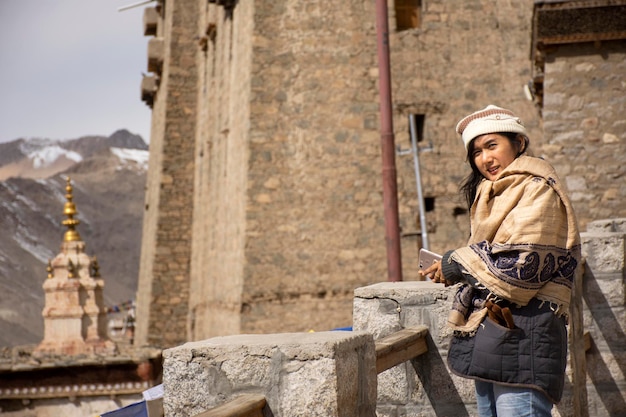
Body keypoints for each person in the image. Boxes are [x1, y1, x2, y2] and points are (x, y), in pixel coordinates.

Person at [419, 105, 581, 417]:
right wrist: (453, 267)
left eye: (492, 146)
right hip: (495, 332)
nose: (485, 159)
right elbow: (489, 254)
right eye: (476, 152)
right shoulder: (488, 194)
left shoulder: (538, 189)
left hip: (527, 335)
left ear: (518, 143)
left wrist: (457, 262)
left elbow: (523, 267)